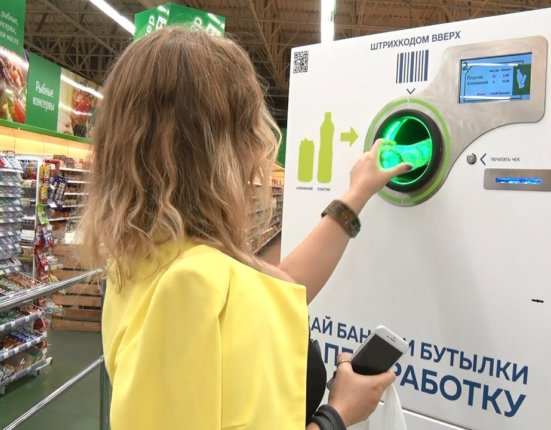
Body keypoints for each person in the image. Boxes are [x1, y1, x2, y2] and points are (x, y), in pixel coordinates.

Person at [79, 26, 411, 430]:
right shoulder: (194, 283)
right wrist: (338, 414)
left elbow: (281, 285)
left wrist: (355, 195)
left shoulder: (145, 256)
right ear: (227, 148)